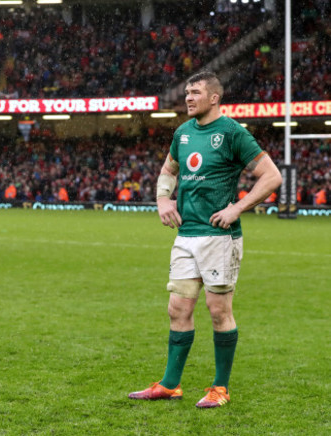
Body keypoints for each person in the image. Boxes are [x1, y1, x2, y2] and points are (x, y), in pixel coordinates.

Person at [128, 72, 282, 408]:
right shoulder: (182, 133)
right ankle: (170, 384)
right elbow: (169, 171)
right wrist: (163, 200)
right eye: (186, 92)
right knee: (177, 308)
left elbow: (272, 176)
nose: (188, 97)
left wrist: (237, 208)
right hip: (186, 235)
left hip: (218, 237)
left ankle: (220, 388)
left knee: (217, 311)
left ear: (214, 98)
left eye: (195, 92)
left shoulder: (232, 133)